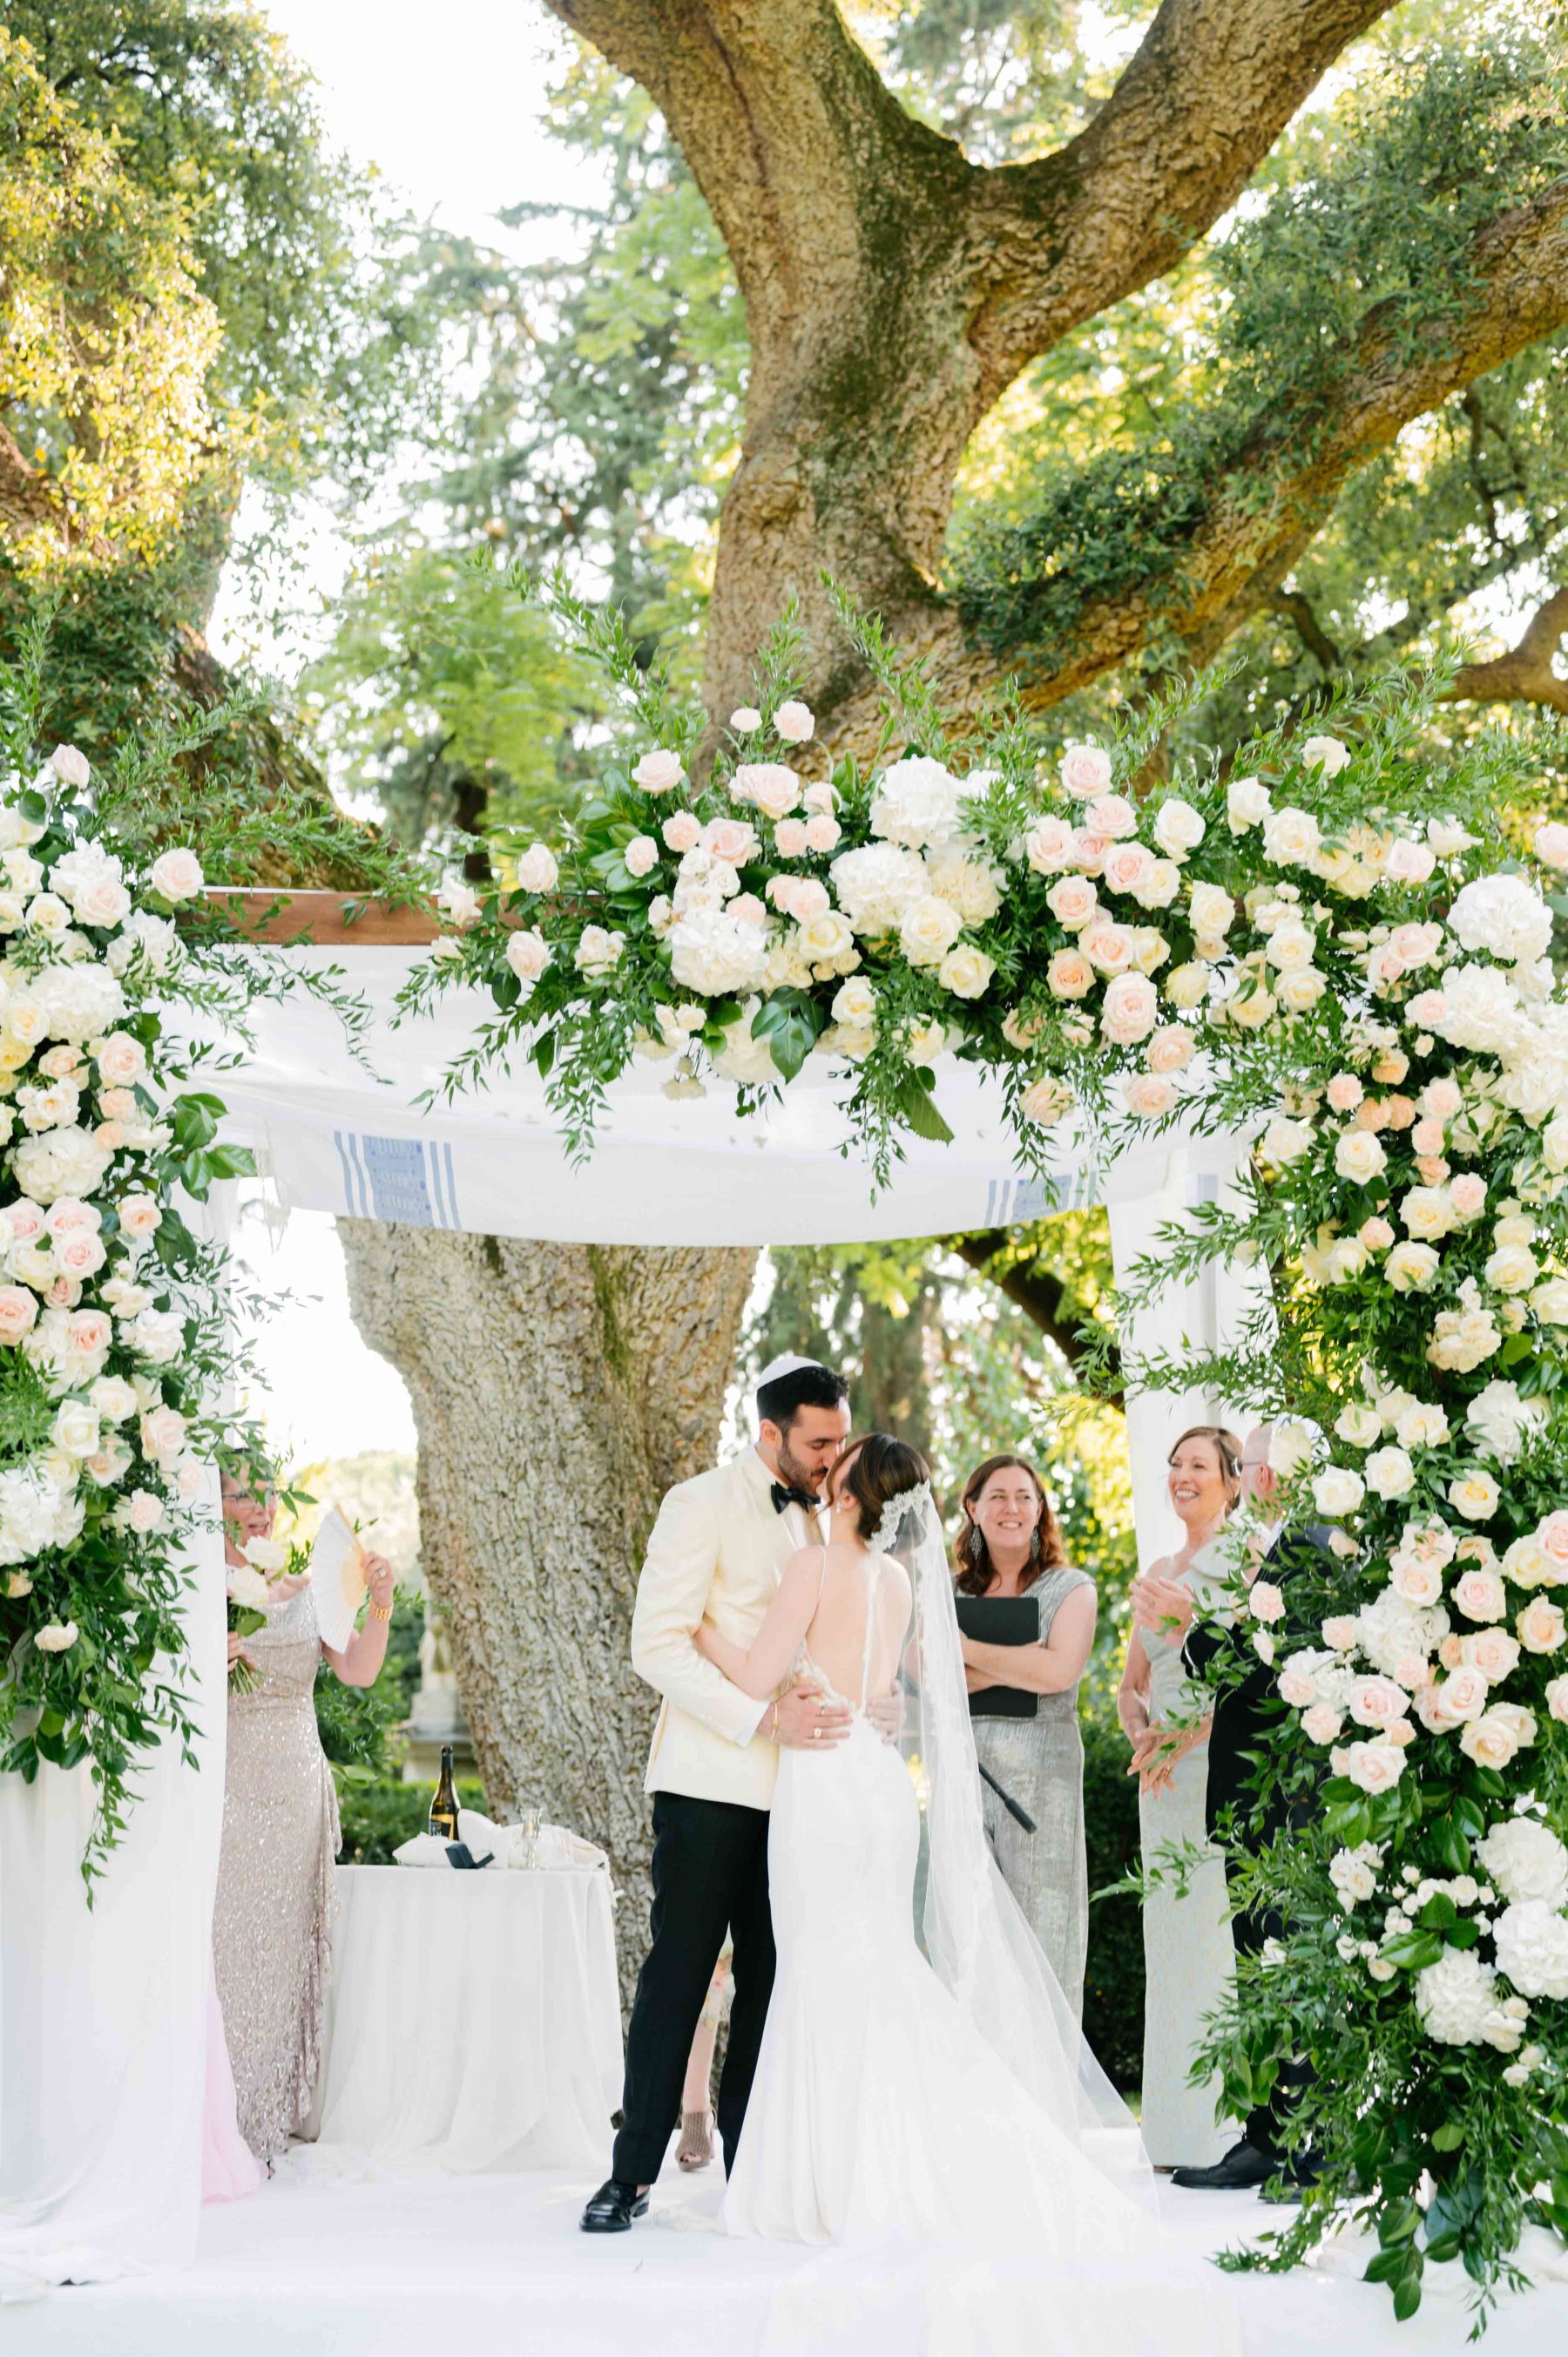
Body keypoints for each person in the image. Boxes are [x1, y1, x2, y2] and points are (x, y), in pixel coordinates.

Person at [674, 1431, 1235, 2357]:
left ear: (849, 1490)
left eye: (835, 1465)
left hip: (820, 1785)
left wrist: (696, 1624)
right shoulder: (898, 1584)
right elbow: (899, 1687)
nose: (823, 1473)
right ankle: (892, 2155)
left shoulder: (815, 1567)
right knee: (881, 1966)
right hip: (880, 1782)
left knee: (820, 1969)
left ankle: (818, 2180)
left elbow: (753, 1672)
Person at [580, 1353, 902, 2233]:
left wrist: (879, 1697)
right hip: (713, 1780)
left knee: (778, 1977)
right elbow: (657, 1642)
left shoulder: (841, 1525)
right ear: (770, 1432)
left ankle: (758, 2166)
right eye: (819, 1441)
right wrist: (760, 1718)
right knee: (680, 1972)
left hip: (815, 1797)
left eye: (842, 1440)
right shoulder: (700, 1502)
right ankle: (632, 2170)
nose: (834, 1457)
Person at [1148, 1425, 1331, 2195]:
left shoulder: (1318, 1543)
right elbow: (1244, 1659)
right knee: (1263, 1965)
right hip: (1251, 1792)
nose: (1253, 1476)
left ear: (1264, 1475)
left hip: (1288, 1791)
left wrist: (1190, 1628)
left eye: (1252, 1464)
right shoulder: (1279, 1545)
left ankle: (1315, 2143)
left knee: (1294, 1962)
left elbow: (1280, 1666)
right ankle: (1268, 2135)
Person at [211, 1469, 395, 2164]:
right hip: (225, 1792)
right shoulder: (197, 1592)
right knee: (223, 1950)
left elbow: (358, 1671)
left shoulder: (308, 1585)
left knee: (281, 1953)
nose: (258, 1509)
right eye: (240, 1495)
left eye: (265, 1494)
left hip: (294, 1791)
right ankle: (213, 2120)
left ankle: (262, 2118)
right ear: (215, 1505)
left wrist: (378, 1602)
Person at [1119, 1425, 1240, 2171]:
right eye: (1174, 1465)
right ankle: (1171, 2132)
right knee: (1169, 1944)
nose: (1182, 1475)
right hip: (1157, 1782)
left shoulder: (1245, 1561)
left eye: (1198, 1464)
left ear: (1230, 1479)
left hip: (1209, 1771)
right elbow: (1132, 1683)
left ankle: (1223, 2131)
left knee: (1214, 1941)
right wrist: (1140, 1731)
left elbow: (1252, 1676)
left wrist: (1185, 1737)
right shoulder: (1161, 1567)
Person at [955, 1454, 1097, 2017]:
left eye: (1024, 1496)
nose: (1011, 1507)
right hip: (966, 1783)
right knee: (972, 1935)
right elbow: (924, 1674)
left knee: (1043, 1940)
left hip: (1044, 1792)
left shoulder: (1072, 1588)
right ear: (972, 1508)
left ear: (1040, 1510)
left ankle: (1046, 2096)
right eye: (997, 1495)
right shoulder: (948, 1590)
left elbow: (1060, 1673)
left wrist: (964, 1653)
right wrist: (1023, 1661)